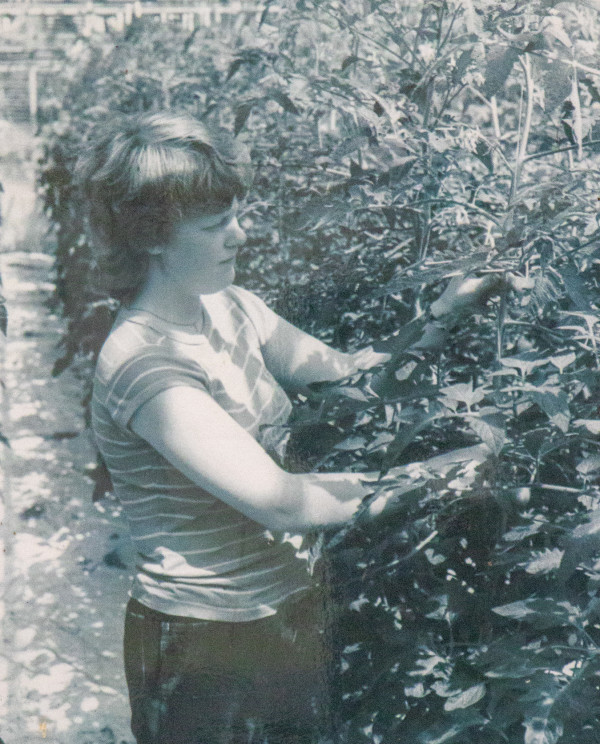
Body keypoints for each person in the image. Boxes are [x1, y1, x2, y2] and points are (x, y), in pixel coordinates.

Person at [79, 111, 506, 744]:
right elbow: (281, 503)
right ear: (150, 239)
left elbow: (352, 382)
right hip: (203, 650)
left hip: (287, 613)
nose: (239, 235)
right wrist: (446, 476)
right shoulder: (144, 363)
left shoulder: (230, 308)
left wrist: (448, 311)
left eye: (235, 215)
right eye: (215, 224)